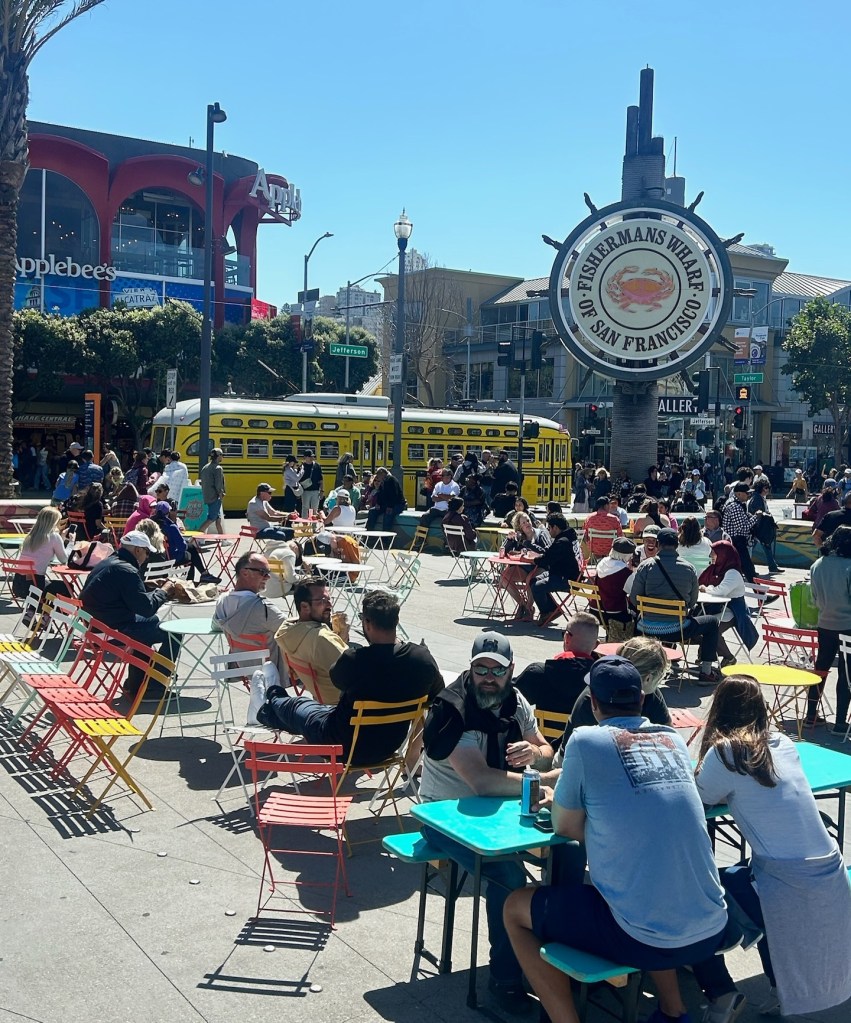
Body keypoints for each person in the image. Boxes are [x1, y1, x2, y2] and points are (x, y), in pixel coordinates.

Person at [504, 656, 729, 1023]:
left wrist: (578, 814)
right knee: (644, 892)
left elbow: (563, 826)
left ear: (592, 703)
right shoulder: (671, 738)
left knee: (515, 907)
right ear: (642, 699)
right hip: (710, 928)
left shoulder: (586, 740)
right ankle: (674, 1010)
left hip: (644, 937)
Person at [691, 676, 851, 1020]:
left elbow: (696, 799)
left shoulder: (726, 752)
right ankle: (779, 985)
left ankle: (720, 992)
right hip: (826, 871)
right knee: (746, 889)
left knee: (694, 897)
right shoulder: (781, 742)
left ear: (719, 710)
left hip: (786, 880)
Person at [419, 633, 553, 1013]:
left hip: (499, 813)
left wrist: (537, 754)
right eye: (481, 669)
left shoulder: (516, 700)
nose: (488, 677)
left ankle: (555, 962)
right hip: (442, 816)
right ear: (471, 667)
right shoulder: (452, 710)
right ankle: (505, 980)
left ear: (510, 670)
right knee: (508, 876)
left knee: (571, 854)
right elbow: (482, 782)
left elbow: (545, 749)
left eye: (497, 670)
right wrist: (545, 778)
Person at [257, 590, 443, 762]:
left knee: (296, 705)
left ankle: (270, 693)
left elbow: (336, 681)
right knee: (308, 712)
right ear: (396, 620)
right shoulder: (422, 659)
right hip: (386, 748)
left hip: (340, 744)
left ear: (367, 623)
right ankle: (264, 711)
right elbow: (437, 694)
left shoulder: (354, 661)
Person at [80, 531, 181, 701]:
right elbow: (147, 608)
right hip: (112, 630)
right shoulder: (126, 570)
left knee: (152, 623)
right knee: (174, 633)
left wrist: (147, 587)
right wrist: (164, 591)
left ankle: (137, 682)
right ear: (137, 550)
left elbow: (127, 595)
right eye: (146, 552)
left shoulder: (109, 562)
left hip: (96, 626)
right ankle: (154, 686)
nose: (147, 557)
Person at [630, 527, 721, 684]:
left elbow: (634, 599)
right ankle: (706, 671)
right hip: (677, 629)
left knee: (636, 617)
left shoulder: (645, 566)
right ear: (677, 544)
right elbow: (692, 603)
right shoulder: (688, 568)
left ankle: (637, 664)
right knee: (712, 622)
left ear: (658, 544)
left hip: (645, 628)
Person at [557, 635, 672, 749]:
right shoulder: (594, 698)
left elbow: (668, 734)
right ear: (648, 679)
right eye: (661, 676)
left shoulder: (652, 695)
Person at [514, 612, 599, 748]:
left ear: (566, 637)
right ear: (596, 645)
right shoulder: (601, 681)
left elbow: (508, 700)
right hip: (584, 751)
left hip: (543, 749)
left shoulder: (538, 673)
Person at [275, 576, 349, 705]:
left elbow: (295, 675)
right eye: (322, 600)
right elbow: (358, 672)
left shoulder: (287, 632)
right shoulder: (321, 639)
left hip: (320, 699)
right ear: (304, 606)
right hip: (346, 706)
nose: (330, 604)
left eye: (329, 599)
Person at [214, 552, 289, 676]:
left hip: (242, 667)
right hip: (270, 671)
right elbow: (293, 631)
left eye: (268, 573)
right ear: (244, 573)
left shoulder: (222, 601)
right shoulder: (263, 608)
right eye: (263, 572)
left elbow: (215, 626)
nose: (268, 577)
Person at [809, 524, 851, 733]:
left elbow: (814, 597)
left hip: (824, 623)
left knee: (820, 669)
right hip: (847, 626)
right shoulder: (848, 566)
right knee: (846, 675)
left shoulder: (817, 564)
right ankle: (841, 722)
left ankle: (810, 715)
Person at [698, 540, 758, 669]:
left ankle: (728, 657)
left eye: (713, 553)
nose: (711, 556)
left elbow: (721, 591)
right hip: (720, 608)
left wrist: (705, 588)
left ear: (723, 555)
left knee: (711, 629)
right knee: (698, 624)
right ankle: (706, 653)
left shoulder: (733, 573)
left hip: (734, 612)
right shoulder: (717, 569)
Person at [528, 513, 581, 625]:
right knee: (533, 580)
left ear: (555, 527)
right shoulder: (568, 537)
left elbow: (547, 559)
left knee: (537, 587)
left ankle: (547, 611)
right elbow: (550, 556)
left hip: (568, 578)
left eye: (549, 527)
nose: (548, 530)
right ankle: (552, 610)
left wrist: (533, 560)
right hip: (559, 572)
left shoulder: (562, 541)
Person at [498, 510, 549, 620]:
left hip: (541, 566)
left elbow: (547, 552)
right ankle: (523, 605)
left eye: (528, 521)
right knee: (504, 576)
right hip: (524, 567)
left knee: (530, 579)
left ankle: (529, 608)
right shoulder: (519, 536)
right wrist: (509, 540)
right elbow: (505, 552)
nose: (527, 524)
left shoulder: (540, 534)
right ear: (519, 526)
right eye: (523, 523)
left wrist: (529, 544)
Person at [13, 506, 73, 599]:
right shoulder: (54, 537)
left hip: (19, 584)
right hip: (36, 586)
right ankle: (46, 612)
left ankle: (32, 610)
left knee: (52, 586)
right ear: (54, 522)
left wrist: (62, 538)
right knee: (67, 587)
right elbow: (64, 559)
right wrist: (71, 543)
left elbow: (45, 555)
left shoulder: (30, 536)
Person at [151, 501, 211, 583]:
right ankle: (192, 580)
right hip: (170, 558)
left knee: (190, 548)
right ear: (169, 512)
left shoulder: (151, 525)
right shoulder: (171, 527)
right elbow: (182, 547)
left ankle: (203, 574)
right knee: (190, 555)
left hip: (155, 557)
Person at [721, 482, 762, 583]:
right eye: (746, 493)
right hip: (736, 542)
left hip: (735, 542)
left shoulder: (736, 504)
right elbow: (742, 528)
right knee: (749, 569)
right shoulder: (735, 506)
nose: (749, 495)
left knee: (741, 570)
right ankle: (762, 595)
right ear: (738, 494)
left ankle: (759, 594)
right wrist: (756, 517)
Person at [595, 537, 636, 637]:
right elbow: (632, 591)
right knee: (637, 616)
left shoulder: (601, 563)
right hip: (615, 612)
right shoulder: (625, 572)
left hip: (596, 609)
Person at [366, 467, 405, 531]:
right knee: (372, 511)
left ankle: (385, 537)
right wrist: (378, 503)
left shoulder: (391, 480)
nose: (377, 477)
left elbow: (394, 494)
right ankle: (369, 531)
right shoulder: (383, 482)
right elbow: (380, 494)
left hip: (397, 504)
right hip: (386, 504)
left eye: (378, 474)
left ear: (383, 473)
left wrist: (390, 506)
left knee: (388, 515)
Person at [199, 447, 226, 533]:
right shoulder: (218, 468)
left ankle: (223, 539)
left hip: (207, 496)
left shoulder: (205, 467)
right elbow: (218, 484)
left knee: (218, 519)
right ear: (219, 456)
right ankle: (196, 538)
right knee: (211, 518)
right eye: (222, 455)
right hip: (215, 497)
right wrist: (221, 495)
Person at [298, 449, 323, 516]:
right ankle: (305, 524)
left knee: (314, 509)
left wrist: (322, 491)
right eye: (310, 456)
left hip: (315, 490)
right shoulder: (301, 467)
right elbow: (298, 479)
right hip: (305, 491)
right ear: (305, 457)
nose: (312, 458)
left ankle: (313, 524)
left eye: (312, 456)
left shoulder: (317, 466)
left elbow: (320, 479)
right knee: (305, 508)